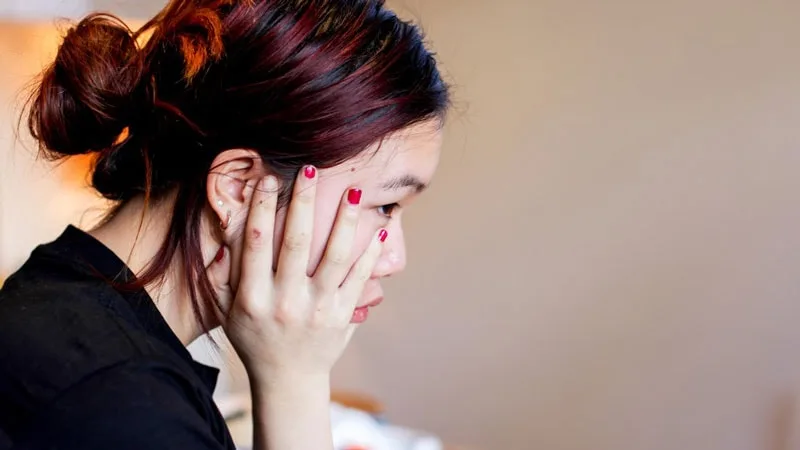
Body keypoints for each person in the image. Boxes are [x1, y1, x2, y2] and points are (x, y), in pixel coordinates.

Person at [0, 0, 449, 448]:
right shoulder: (126, 405)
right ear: (239, 187)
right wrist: (295, 379)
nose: (394, 258)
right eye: (386, 205)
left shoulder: (57, 297)